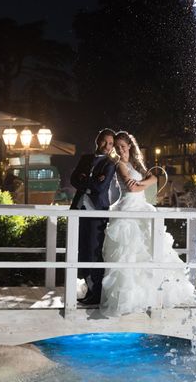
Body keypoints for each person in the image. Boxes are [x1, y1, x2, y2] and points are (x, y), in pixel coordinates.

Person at [100, 131, 195, 317]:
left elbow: (153, 178)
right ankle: (129, 299)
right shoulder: (119, 164)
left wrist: (147, 181)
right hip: (127, 207)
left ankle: (154, 295)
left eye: (123, 146)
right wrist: (148, 181)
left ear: (129, 146)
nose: (120, 149)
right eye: (117, 147)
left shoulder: (136, 164)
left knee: (152, 250)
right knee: (129, 252)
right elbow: (132, 187)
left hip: (142, 207)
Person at [70, 128, 118, 305]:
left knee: (93, 251)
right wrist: (90, 182)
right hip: (78, 209)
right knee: (81, 251)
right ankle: (89, 289)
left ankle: (96, 292)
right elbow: (73, 180)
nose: (107, 146)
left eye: (111, 143)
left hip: (97, 212)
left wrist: (85, 182)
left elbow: (100, 188)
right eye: (105, 142)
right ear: (98, 141)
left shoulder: (110, 164)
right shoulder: (85, 159)